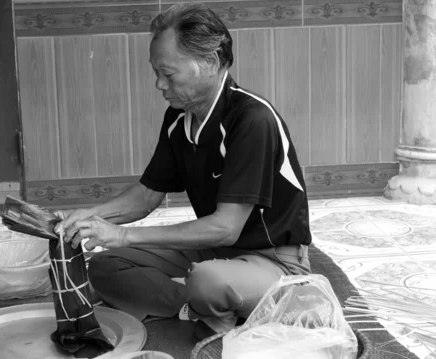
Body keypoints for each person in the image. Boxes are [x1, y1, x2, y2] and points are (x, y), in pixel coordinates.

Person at [54, 3, 311, 339]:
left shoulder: (252, 120)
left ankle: (224, 298)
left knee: (207, 280)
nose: (160, 84)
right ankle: (197, 307)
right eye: (156, 72)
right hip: (214, 252)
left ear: (210, 62)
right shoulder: (178, 117)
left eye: (169, 73)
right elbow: (147, 195)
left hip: (274, 260)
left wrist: (122, 235)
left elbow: (225, 228)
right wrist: (89, 218)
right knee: (105, 266)